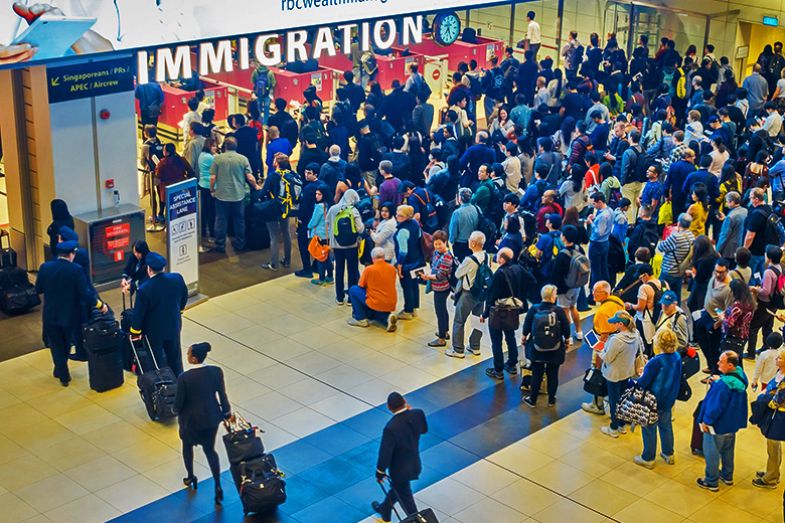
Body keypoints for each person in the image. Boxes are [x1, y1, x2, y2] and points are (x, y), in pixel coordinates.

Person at [35, 240, 107, 386]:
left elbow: (38, 289)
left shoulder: (45, 267)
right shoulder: (76, 270)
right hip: (69, 314)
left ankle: (60, 368)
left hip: (50, 314)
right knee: (67, 342)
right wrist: (100, 305)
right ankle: (63, 373)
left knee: (55, 344)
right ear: (71, 254)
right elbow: (85, 293)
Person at [175, 342, 232, 506]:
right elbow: (222, 394)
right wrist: (226, 413)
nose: (187, 357)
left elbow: (179, 404)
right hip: (211, 419)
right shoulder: (215, 371)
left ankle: (191, 476)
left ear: (193, 358)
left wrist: (175, 410)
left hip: (191, 422)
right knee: (210, 450)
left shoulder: (184, 378)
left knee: (187, 447)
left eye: (188, 354)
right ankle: (218, 485)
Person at [696, 351, 749, 492]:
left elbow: (715, 406)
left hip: (717, 425)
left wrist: (706, 421)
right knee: (728, 450)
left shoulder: (723, 386)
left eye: (721, 362)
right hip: (732, 423)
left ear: (730, 365)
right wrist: (720, 379)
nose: (718, 363)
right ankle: (727, 475)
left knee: (712, 452)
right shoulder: (740, 376)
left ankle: (711, 481)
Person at [129, 253, 189, 376]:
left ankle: (161, 387)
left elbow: (139, 313)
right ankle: (179, 384)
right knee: (175, 359)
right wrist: (180, 310)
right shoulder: (177, 278)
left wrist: (135, 331)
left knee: (155, 362)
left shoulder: (145, 289)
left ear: (149, 269)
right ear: (164, 268)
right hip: (174, 325)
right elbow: (184, 296)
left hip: (154, 332)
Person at [372, 392, 428, 522]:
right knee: (398, 488)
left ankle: (417, 520)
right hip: (414, 463)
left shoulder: (391, 428)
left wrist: (380, 472)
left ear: (389, 407)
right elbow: (424, 430)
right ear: (404, 401)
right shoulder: (418, 413)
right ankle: (385, 509)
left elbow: (385, 453)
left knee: (405, 497)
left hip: (399, 469)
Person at [633, 328, 682, 468]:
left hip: (653, 401)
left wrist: (642, 374)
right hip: (668, 399)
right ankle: (668, 453)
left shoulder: (656, 361)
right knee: (666, 426)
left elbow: (644, 382)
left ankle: (648, 458)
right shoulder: (677, 357)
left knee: (649, 428)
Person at [482, 247, 530, 380]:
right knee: (510, 336)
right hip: (512, 311)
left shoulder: (499, 274)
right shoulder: (518, 268)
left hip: (498, 313)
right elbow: (532, 280)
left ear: (502, 259)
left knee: (496, 341)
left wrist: (484, 314)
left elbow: (491, 297)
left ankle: (498, 370)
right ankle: (512, 364)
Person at [209, 137, 260, 254]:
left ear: (225, 146)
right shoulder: (243, 159)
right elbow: (250, 177)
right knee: (239, 220)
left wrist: (212, 190)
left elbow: (212, 178)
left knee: (221, 220)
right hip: (238, 195)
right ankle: (240, 243)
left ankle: (220, 244)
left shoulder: (217, 159)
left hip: (221, 195)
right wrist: (256, 186)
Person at [582, 281, 626, 415]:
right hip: (621, 344)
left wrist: (597, 358)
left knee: (598, 374)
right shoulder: (618, 301)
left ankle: (597, 404)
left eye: (596, 292)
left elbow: (604, 337)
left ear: (606, 293)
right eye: (593, 290)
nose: (593, 294)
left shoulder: (602, 312)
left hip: (607, 345)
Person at [522, 284, 570, 407]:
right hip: (555, 348)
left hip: (537, 348)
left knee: (537, 373)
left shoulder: (534, 309)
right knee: (553, 374)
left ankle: (532, 399)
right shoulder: (558, 310)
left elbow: (526, 326)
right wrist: (567, 340)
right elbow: (566, 328)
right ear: (552, 296)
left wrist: (524, 338)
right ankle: (551, 399)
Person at [598, 310, 643, 438]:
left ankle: (613, 427)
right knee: (623, 399)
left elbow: (608, 358)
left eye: (616, 323)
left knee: (614, 401)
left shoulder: (616, 340)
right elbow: (641, 349)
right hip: (627, 372)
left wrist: (599, 350)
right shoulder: (636, 334)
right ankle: (622, 425)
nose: (613, 325)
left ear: (621, 324)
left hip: (613, 375)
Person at [446, 231, 487, 359]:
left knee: (459, 321)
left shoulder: (469, 260)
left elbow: (458, 274)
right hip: (481, 293)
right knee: (477, 320)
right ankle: (475, 346)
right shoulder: (486, 256)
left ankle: (458, 349)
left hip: (468, 294)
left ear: (473, 243)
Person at [752, 346, 785, 488]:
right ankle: (773, 472)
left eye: (780, 358)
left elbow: (777, 400)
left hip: (779, 416)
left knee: (773, 445)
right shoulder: (780, 372)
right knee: (773, 446)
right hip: (774, 414)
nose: (777, 359)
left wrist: (764, 400)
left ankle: (770, 479)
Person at [696, 258, 734, 376]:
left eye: (721, 272)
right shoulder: (713, 278)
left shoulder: (729, 288)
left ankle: (715, 373)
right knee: (701, 338)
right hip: (706, 314)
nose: (718, 274)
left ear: (727, 271)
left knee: (714, 348)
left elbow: (729, 311)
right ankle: (711, 364)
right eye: (716, 271)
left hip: (715, 321)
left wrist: (717, 325)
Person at [327, 189, 365, 305]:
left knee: (339, 270)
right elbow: (360, 229)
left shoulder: (333, 209)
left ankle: (339, 297)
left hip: (337, 246)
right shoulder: (353, 211)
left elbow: (328, 223)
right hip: (351, 245)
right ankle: (350, 298)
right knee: (352, 271)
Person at [347, 247, 399, 332]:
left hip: (375, 301)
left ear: (372, 258)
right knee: (378, 311)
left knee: (353, 290)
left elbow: (361, 285)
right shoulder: (392, 268)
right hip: (391, 302)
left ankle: (360, 318)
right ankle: (387, 318)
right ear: (384, 256)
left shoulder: (369, 269)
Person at [260, 154, 296, 271]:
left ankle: (274, 263)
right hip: (285, 208)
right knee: (286, 233)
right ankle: (287, 260)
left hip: (273, 208)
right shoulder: (291, 175)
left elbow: (263, 193)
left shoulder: (272, 176)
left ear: (277, 164)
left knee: (274, 236)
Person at [748, 245, 784, 360]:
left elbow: (765, 291)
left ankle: (750, 353)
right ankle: (766, 347)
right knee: (768, 325)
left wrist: (755, 289)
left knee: (753, 327)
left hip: (765, 303)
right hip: (775, 302)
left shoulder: (769, 272)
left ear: (769, 258)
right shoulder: (781, 267)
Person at [551, 225, 586, 344]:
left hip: (565, 288)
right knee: (573, 308)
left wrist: (556, 290)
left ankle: (568, 337)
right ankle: (579, 331)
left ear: (564, 237)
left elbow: (557, 275)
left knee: (565, 311)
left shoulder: (562, 255)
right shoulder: (579, 249)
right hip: (577, 285)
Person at [421, 231, 454, 347]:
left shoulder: (447, 257)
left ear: (446, 243)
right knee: (442, 309)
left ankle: (441, 339)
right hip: (437, 286)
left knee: (440, 312)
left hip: (442, 287)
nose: (437, 246)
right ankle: (445, 332)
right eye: (435, 244)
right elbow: (434, 266)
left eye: (440, 244)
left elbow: (440, 276)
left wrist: (427, 277)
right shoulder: (436, 253)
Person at [656, 213, 695, 304]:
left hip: (668, 271)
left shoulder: (675, 237)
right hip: (680, 270)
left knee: (663, 292)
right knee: (677, 294)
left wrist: (671, 235)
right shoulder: (691, 236)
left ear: (679, 223)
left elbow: (661, 247)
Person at [394, 205, 424, 319]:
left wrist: (400, 265)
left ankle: (408, 310)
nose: (397, 216)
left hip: (407, 263)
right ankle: (414, 307)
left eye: (400, 215)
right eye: (397, 213)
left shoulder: (403, 231)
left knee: (406, 286)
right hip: (417, 259)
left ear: (407, 216)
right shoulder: (415, 224)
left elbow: (403, 251)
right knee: (414, 283)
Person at [718, 278, 755, 365]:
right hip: (744, 334)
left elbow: (730, 324)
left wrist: (722, 317)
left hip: (733, 336)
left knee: (732, 362)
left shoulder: (738, 305)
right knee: (738, 360)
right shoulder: (750, 301)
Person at [744, 187, 774, 279]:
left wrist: (744, 249)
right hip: (764, 249)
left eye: (751, 198)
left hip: (754, 251)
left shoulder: (756, 214)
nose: (750, 200)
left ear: (756, 199)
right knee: (760, 274)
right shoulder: (769, 209)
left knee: (751, 275)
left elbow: (750, 236)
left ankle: (752, 291)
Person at [586, 192, 613, 291]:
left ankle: (594, 291)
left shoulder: (603, 215)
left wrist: (591, 223)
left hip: (597, 243)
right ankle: (606, 288)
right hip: (605, 242)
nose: (593, 206)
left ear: (600, 202)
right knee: (603, 267)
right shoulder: (610, 210)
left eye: (594, 203)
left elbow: (599, 232)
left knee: (595, 270)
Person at [448, 188, 480, 261]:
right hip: (475, 243)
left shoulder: (457, 213)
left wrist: (450, 244)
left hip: (461, 245)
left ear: (459, 198)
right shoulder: (477, 208)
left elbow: (453, 234)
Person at [716, 192, 747, 264]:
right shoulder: (745, 211)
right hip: (740, 245)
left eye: (727, 202)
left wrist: (717, 250)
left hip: (729, 250)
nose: (726, 204)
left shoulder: (730, 217)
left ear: (732, 202)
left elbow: (724, 236)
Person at [197, 138, 217, 245]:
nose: (216, 147)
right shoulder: (211, 158)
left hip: (202, 184)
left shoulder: (202, 155)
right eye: (213, 146)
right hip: (210, 187)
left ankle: (203, 231)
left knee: (204, 210)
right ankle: (212, 234)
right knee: (211, 212)